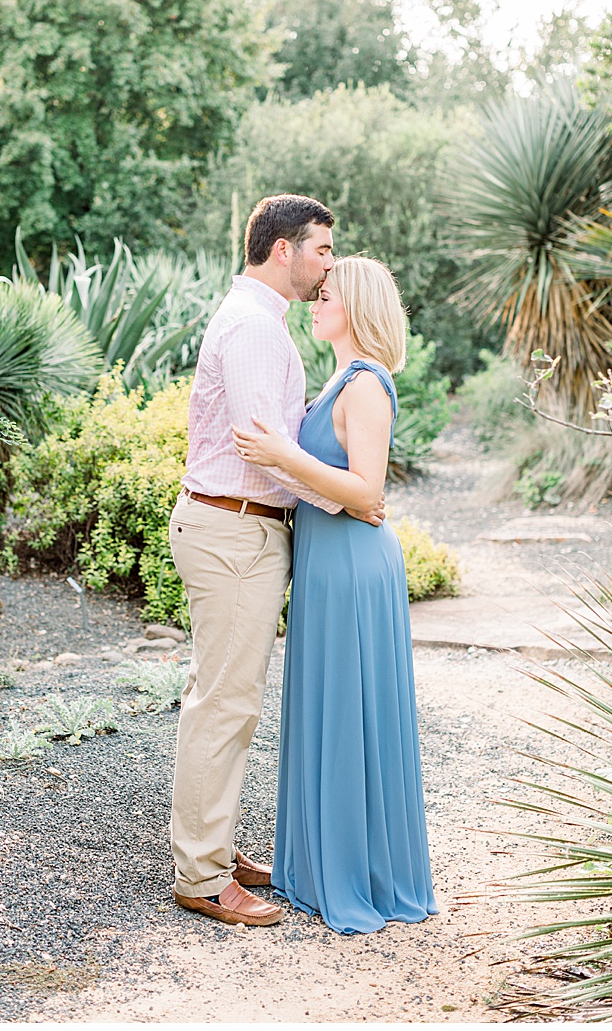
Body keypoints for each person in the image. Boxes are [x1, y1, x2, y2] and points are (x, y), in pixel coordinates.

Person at [166, 194, 386, 928]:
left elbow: (278, 448)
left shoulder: (259, 323)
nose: (329, 263)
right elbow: (270, 456)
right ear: (283, 250)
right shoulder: (256, 329)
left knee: (225, 698)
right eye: (322, 249)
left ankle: (215, 851)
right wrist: (350, 501)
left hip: (239, 530)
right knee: (225, 706)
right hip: (235, 529)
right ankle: (200, 875)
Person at [232, 256, 439, 933]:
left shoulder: (368, 385)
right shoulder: (339, 381)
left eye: (325, 297)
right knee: (328, 707)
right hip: (325, 564)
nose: (314, 304)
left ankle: (360, 872)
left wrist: (281, 456)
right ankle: (323, 865)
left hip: (352, 568)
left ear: (354, 306)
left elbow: (367, 491)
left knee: (351, 712)